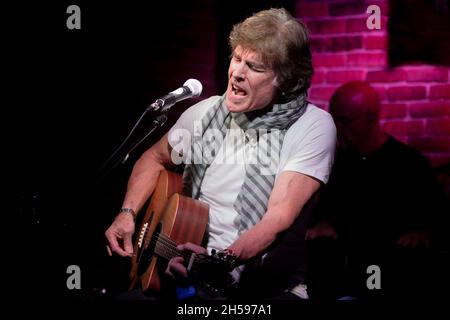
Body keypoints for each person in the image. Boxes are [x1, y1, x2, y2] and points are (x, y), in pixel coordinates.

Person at [105, 8, 336, 300]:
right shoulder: (204, 114)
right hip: (190, 284)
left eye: (254, 67)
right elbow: (154, 158)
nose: (237, 73)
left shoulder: (312, 126)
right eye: (237, 58)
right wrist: (127, 214)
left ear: (287, 80)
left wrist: (223, 260)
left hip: (267, 291)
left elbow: (279, 216)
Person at [306, 81, 447, 301]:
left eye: (343, 121)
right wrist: (323, 223)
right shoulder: (337, 164)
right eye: (333, 120)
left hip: (393, 272)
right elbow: (325, 214)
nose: (337, 129)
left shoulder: (409, 164)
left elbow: (437, 219)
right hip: (343, 271)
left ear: (370, 119)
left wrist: (424, 233)